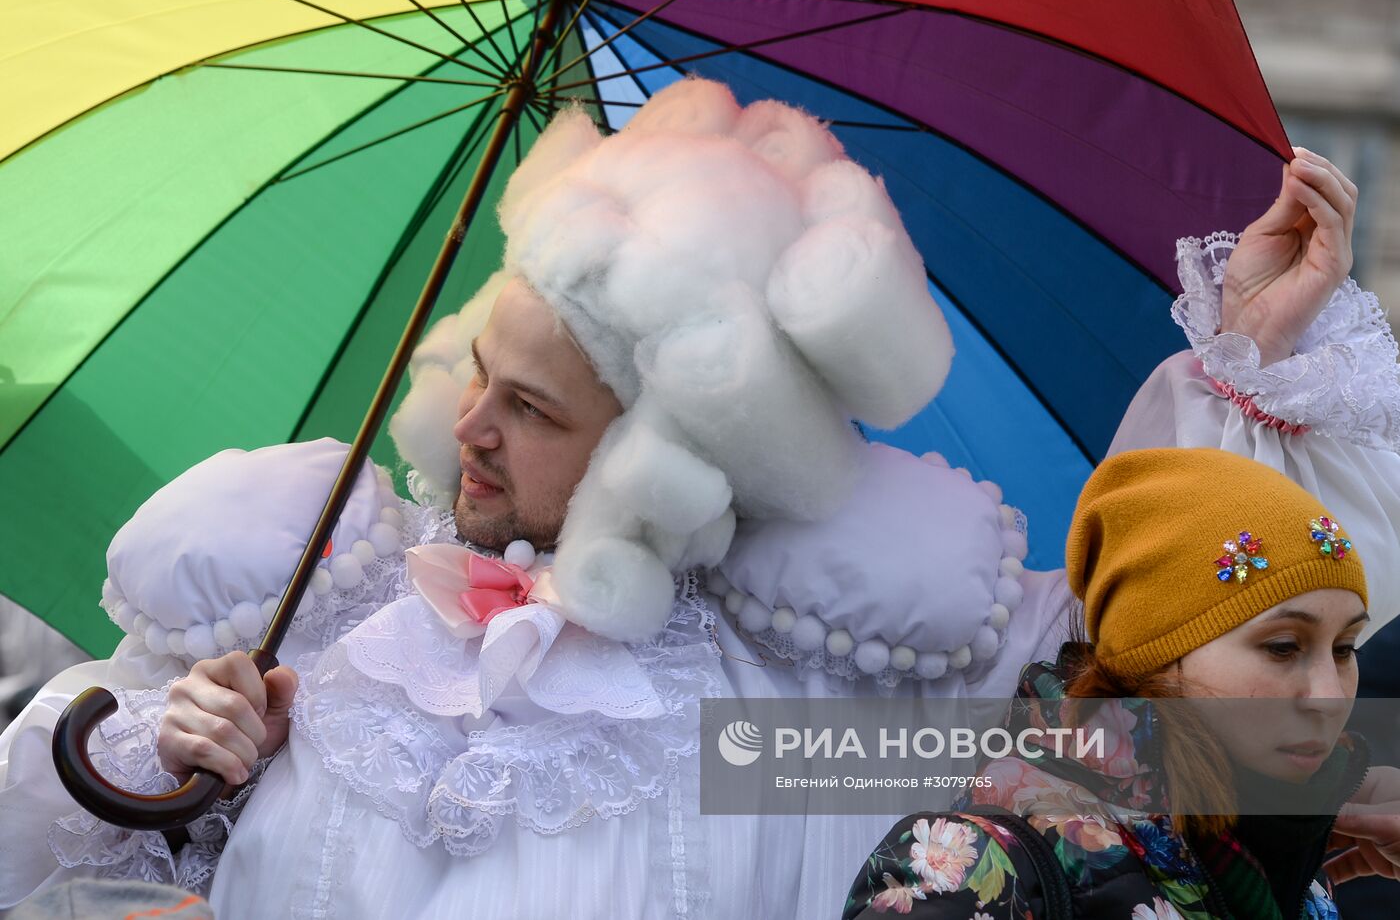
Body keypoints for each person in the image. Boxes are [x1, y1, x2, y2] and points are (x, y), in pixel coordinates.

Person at [2, 77, 1400, 917]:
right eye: (477, 373)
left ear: (667, 449)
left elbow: (1176, 656)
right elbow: (35, 850)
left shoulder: (796, 694)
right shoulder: (330, 591)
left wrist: (1247, 363)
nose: (470, 429)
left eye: (534, 410)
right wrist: (169, 762)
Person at [843, 447, 1388, 919]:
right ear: (1153, 651)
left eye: (1344, 649)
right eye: (1283, 647)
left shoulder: (1298, 864)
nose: (1329, 695)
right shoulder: (978, 870)